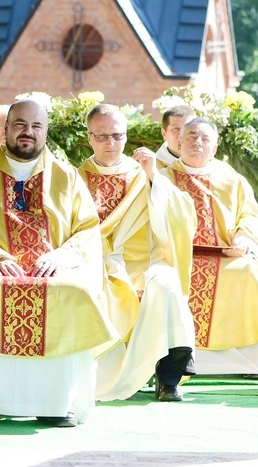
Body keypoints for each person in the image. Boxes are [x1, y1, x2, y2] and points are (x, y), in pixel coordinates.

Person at [0, 99, 119, 427]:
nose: (27, 133)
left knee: (75, 291)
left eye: (36, 126)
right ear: (5, 130)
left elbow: (88, 231)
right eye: (20, 125)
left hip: (55, 265)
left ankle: (57, 402)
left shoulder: (67, 177)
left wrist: (60, 257)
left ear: (46, 131)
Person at [80, 104, 197, 402]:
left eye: (117, 136)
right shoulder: (74, 178)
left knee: (168, 284)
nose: (111, 143)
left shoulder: (141, 173)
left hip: (143, 262)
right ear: (89, 137)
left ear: (126, 135)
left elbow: (182, 214)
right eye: (103, 136)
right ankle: (86, 376)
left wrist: (155, 179)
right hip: (93, 261)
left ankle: (168, 379)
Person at [158, 117, 258, 376]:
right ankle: (176, 360)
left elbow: (250, 215)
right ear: (179, 142)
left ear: (214, 149)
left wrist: (242, 239)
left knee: (248, 272)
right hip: (174, 256)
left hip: (226, 255)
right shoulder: (161, 179)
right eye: (192, 136)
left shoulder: (231, 180)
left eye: (206, 139)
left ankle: (249, 359)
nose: (198, 142)